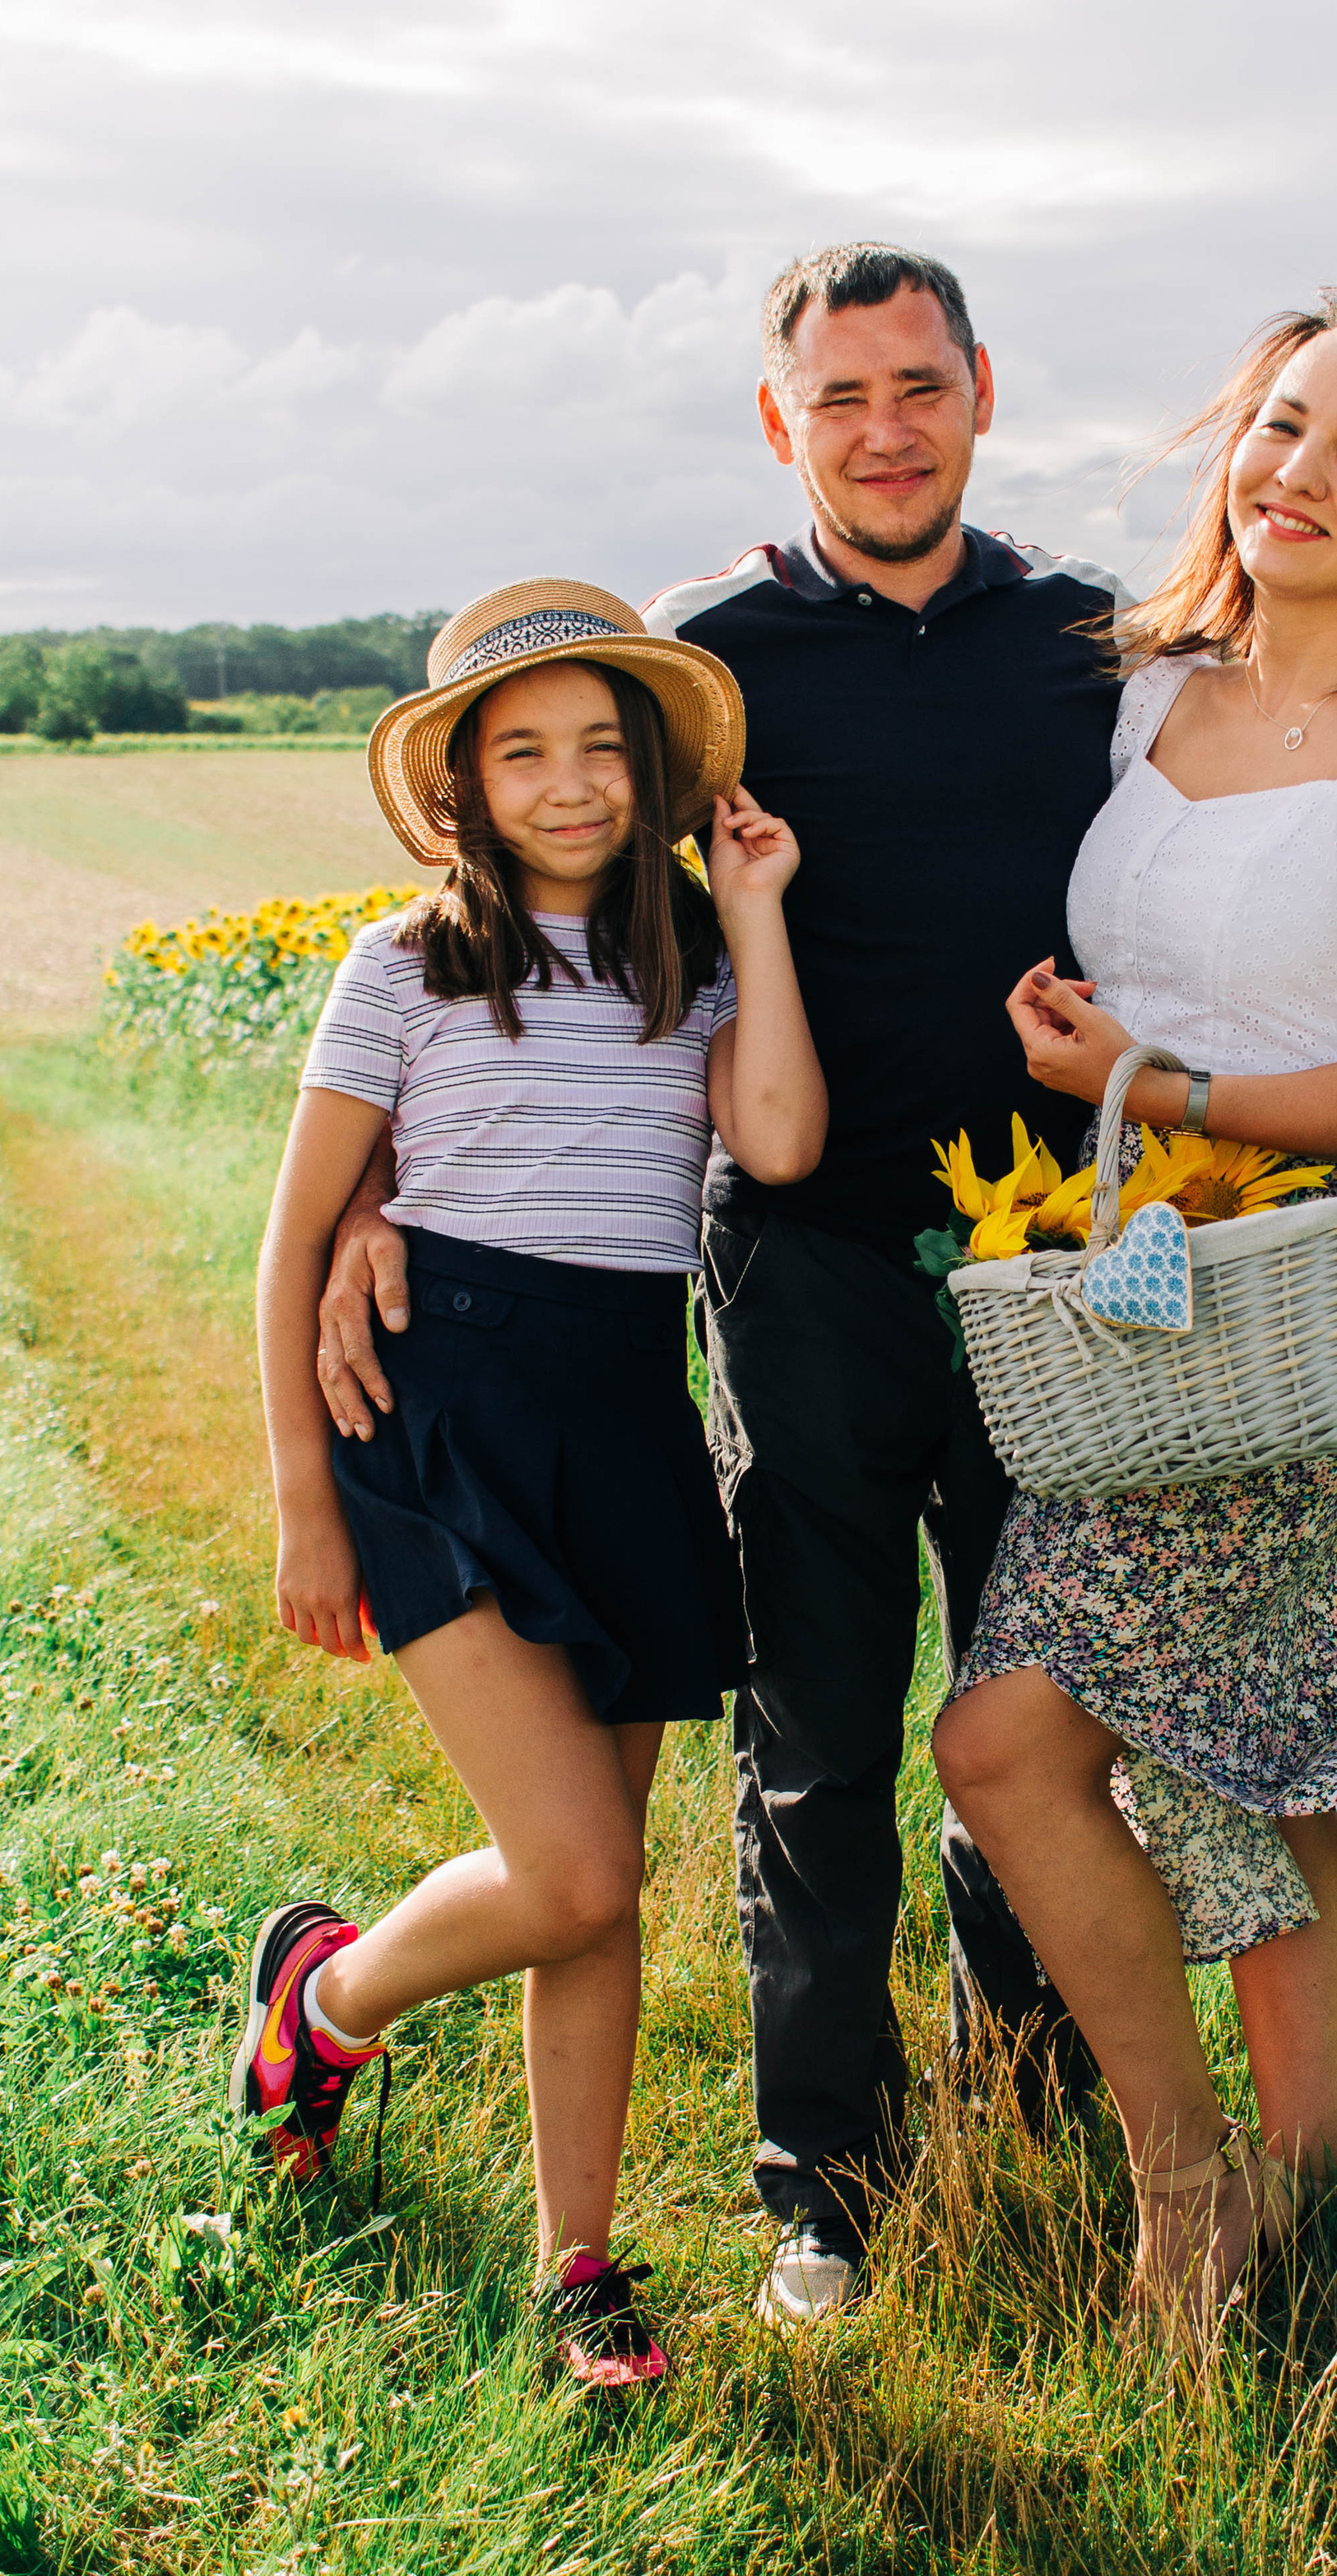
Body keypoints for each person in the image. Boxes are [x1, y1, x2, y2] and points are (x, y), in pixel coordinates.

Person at [313, 247, 1337, 2327]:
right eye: (838, 397)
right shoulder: (713, 667)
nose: (884, 425)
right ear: (781, 424)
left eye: (916, 385)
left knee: (1039, 1735)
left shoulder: (1088, 651)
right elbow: (544, 929)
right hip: (808, 1268)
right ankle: (825, 2182)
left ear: (981, 392)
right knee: (819, 1733)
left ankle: (1027, 2106)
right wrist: (388, 1176)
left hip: (1064, 1286)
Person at [932, 281, 1337, 2336]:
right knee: (1253, 1749)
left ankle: (1187, 2184)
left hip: (1293, 1324)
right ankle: (1307, 2171)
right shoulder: (1147, 699)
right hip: (1126, 1317)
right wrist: (1095, 1055)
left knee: (1008, 1740)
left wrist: (1142, 1081)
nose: (1295, 472)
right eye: (1279, 424)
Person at [245, 578, 824, 2388]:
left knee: (600, 1883)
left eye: (598, 747)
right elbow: (287, 1245)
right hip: (435, 1416)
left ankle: (582, 2265)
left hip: (625, 1420)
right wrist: (301, 1496)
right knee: (567, 1869)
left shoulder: (692, 961)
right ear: (464, 787)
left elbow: (782, 1138)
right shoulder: (404, 963)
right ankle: (322, 2001)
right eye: (523, 753)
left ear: (649, 769)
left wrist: (753, 911)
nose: (567, 784)